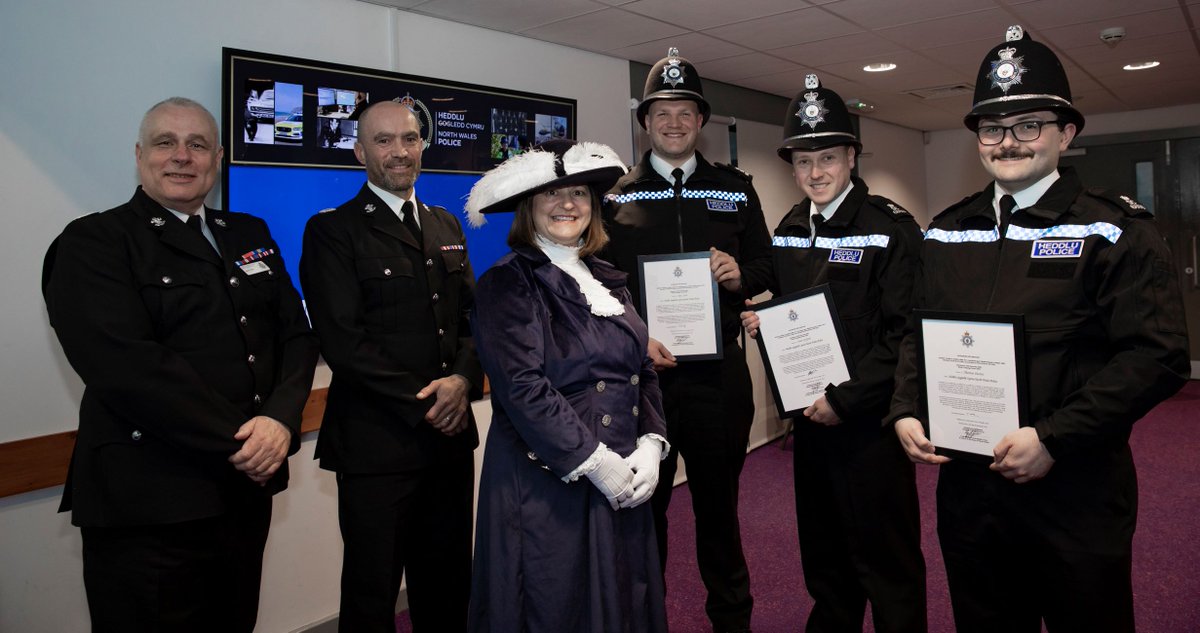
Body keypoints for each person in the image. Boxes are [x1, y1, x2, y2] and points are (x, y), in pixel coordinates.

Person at [889, 26, 1190, 633]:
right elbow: (917, 335)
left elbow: (1155, 357)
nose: (1008, 142)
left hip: (1075, 487)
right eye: (993, 128)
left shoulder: (1115, 231)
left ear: (1065, 132)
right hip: (972, 492)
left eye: (1028, 125)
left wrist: (1053, 437)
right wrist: (905, 408)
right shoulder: (946, 232)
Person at [41, 96, 318, 632]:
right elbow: (127, 368)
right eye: (165, 143)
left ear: (216, 158)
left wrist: (281, 420)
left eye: (196, 145)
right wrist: (246, 439)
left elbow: (296, 335)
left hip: (241, 492)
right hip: (148, 503)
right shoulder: (94, 242)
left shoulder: (248, 233)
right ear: (140, 155)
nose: (181, 157)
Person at [740, 74, 927, 633]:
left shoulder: (890, 229)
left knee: (887, 560)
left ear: (850, 156)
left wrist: (843, 400)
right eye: (802, 161)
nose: (815, 173)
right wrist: (764, 323)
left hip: (869, 427)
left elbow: (904, 334)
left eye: (826, 157)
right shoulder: (791, 228)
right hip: (811, 426)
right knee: (824, 557)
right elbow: (793, 313)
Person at [464, 139, 669, 632]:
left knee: (621, 599)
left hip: (622, 470)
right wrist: (595, 463)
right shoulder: (509, 282)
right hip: (548, 483)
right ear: (527, 208)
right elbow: (523, 388)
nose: (567, 204)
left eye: (578, 192)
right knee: (557, 606)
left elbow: (641, 366)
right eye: (550, 194)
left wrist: (650, 444)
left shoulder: (607, 277)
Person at [602, 47, 772, 633]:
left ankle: (732, 621)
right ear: (644, 123)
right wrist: (632, 334)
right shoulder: (616, 194)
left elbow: (766, 268)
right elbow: (598, 287)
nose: (673, 123)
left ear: (701, 122)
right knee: (644, 514)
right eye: (661, 113)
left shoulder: (735, 189)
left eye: (685, 113)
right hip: (642, 383)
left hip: (718, 380)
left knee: (719, 514)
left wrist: (740, 276)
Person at [300, 100, 482, 633]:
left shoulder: (445, 222)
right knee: (371, 592)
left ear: (423, 145)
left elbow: (472, 318)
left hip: (448, 445)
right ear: (360, 151)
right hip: (377, 446)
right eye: (383, 141)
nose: (398, 151)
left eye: (408, 138)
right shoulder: (333, 231)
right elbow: (344, 341)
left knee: (449, 585)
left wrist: (464, 380)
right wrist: (432, 399)